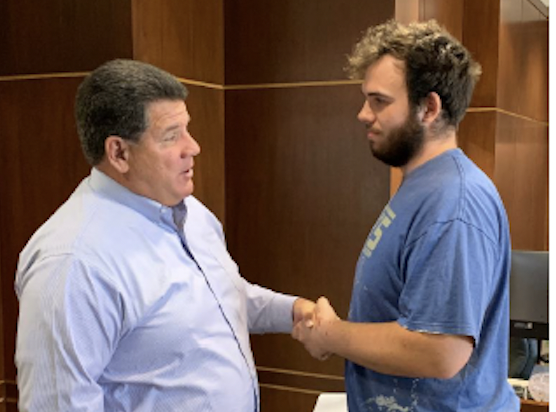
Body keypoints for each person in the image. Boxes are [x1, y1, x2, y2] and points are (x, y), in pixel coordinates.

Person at [15, 59, 315, 412]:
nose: (194, 147)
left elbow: (215, 298)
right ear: (119, 152)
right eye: (172, 136)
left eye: (187, 129)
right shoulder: (73, 264)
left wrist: (292, 311)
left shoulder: (192, 213)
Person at [293, 20, 519, 411]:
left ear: (429, 108)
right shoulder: (423, 186)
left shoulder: (455, 202)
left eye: (379, 101)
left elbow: (441, 351)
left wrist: (330, 334)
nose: (363, 114)